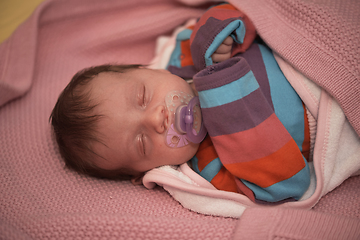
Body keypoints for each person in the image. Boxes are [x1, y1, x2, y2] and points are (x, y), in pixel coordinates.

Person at [50, 3, 311, 203]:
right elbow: (286, 186)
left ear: (152, 70)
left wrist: (216, 38)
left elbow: (245, 12)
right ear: (144, 173)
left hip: (305, 50)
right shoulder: (211, 170)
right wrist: (221, 95)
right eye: (142, 143)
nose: (155, 120)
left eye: (142, 97)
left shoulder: (189, 52)